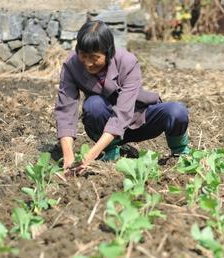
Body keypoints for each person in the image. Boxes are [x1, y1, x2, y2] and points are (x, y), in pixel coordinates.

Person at [54, 20, 190, 174]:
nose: (88, 63)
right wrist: (68, 157)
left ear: (109, 52)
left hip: (138, 118)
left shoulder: (127, 61)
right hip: (102, 121)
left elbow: (123, 112)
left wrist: (92, 154)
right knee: (93, 105)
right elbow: (66, 110)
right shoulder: (72, 65)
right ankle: (111, 151)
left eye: (94, 57)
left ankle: (180, 153)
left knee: (177, 111)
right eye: (83, 56)